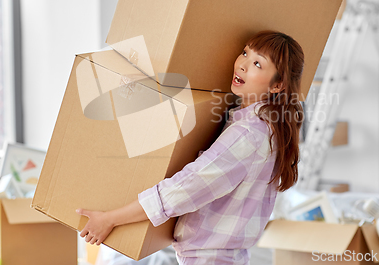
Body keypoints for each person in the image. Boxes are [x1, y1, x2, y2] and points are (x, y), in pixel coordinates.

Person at [76, 30, 305, 265]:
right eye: (245, 52)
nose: (243, 65)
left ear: (277, 85)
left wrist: (110, 219)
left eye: (257, 63)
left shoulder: (248, 134)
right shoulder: (269, 125)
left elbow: (184, 188)